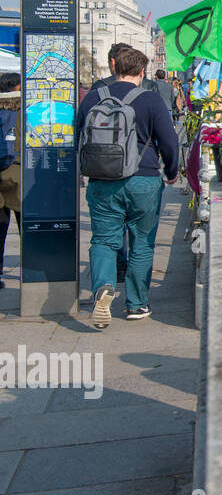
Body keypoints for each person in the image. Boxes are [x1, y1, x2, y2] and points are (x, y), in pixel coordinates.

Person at [74, 47, 179, 327]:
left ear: (114, 66)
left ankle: (104, 287)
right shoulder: (151, 100)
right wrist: (171, 172)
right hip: (143, 179)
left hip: (102, 182)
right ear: (142, 71)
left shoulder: (93, 98)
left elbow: (78, 137)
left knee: (104, 240)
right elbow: (169, 142)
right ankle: (136, 304)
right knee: (142, 243)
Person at [0, 73, 21, 289]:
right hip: (18, 172)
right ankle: (30, 271)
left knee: (0, 228)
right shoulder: (21, 109)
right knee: (26, 226)